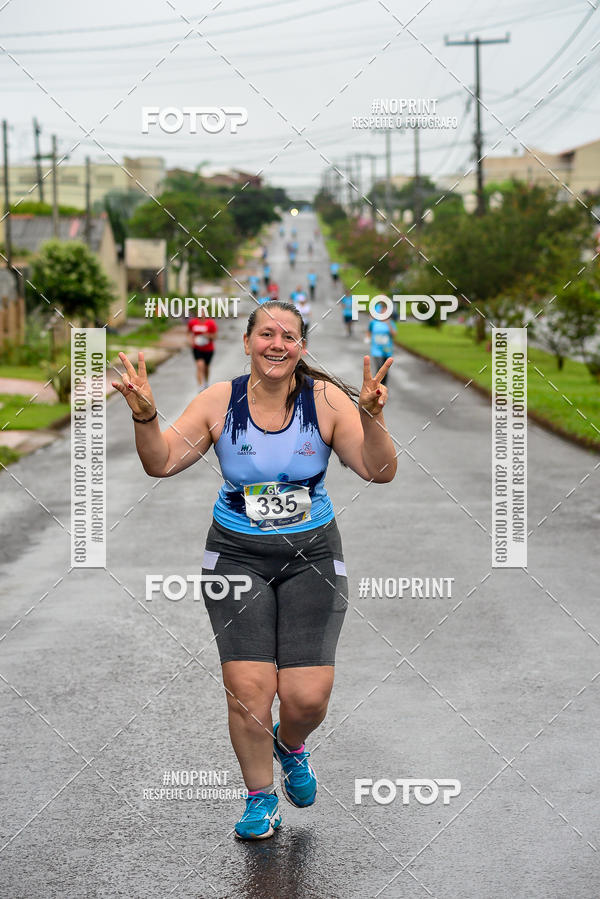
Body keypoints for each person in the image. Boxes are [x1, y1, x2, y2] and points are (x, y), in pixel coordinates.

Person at [112, 301, 396, 841]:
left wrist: (371, 417)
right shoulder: (221, 401)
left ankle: (290, 745)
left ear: (301, 348)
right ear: (246, 343)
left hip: (311, 554)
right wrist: (145, 415)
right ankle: (260, 798)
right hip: (236, 556)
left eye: (289, 336)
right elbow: (161, 462)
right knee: (249, 689)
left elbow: (379, 470)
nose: (276, 343)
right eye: (266, 333)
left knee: (306, 697)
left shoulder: (325, 401)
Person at [186, 309, 218, 390]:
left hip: (208, 349)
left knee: (206, 367)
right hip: (197, 348)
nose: (201, 314)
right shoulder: (193, 322)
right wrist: (190, 341)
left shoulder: (211, 323)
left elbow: (215, 336)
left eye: (203, 312)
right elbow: (188, 333)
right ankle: (200, 386)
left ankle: (206, 382)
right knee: (200, 366)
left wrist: (208, 336)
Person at [368, 301, 395, 385]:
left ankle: (384, 386)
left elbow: (394, 334)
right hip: (376, 350)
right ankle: (377, 385)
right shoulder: (374, 322)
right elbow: (369, 330)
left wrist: (388, 324)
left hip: (387, 349)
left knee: (385, 369)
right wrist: (368, 338)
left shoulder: (390, 323)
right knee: (379, 368)